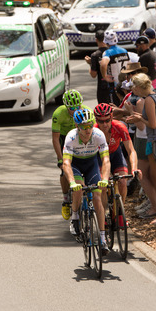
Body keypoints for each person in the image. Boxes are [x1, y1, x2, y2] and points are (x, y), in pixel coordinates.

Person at [62, 108, 111, 254]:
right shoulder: (71, 137)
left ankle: (102, 239)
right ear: (77, 127)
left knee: (97, 197)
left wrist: (105, 179)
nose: (88, 129)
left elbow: (106, 160)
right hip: (76, 164)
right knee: (78, 189)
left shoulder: (98, 135)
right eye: (84, 126)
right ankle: (75, 216)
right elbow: (66, 163)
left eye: (90, 125)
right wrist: (71, 182)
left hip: (91, 164)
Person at [125, 73, 156, 225]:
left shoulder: (149, 100)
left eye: (133, 87)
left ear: (138, 87)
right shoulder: (155, 96)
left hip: (155, 140)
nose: (132, 90)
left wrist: (138, 118)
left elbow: (152, 124)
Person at [52, 89, 88, 219]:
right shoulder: (59, 113)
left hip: (79, 137)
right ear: (66, 106)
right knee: (64, 170)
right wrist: (61, 160)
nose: (75, 110)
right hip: (63, 138)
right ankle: (66, 199)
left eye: (78, 106)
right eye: (72, 108)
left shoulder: (85, 111)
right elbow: (55, 139)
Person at [94, 103, 140, 201]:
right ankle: (103, 212)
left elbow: (131, 150)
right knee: (102, 185)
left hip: (115, 154)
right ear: (96, 120)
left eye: (107, 120)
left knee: (122, 182)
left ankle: (120, 211)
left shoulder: (119, 127)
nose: (105, 124)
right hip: (99, 157)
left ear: (111, 118)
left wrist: (134, 168)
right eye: (101, 122)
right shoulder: (93, 130)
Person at [100, 30, 130, 104]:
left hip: (115, 85)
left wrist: (105, 76)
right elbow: (129, 64)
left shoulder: (107, 52)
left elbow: (103, 64)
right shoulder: (124, 51)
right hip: (126, 83)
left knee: (116, 106)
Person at [85, 30, 110, 104]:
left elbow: (93, 74)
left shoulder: (95, 55)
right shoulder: (111, 52)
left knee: (103, 109)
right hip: (113, 84)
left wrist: (90, 63)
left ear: (96, 40)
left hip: (103, 87)